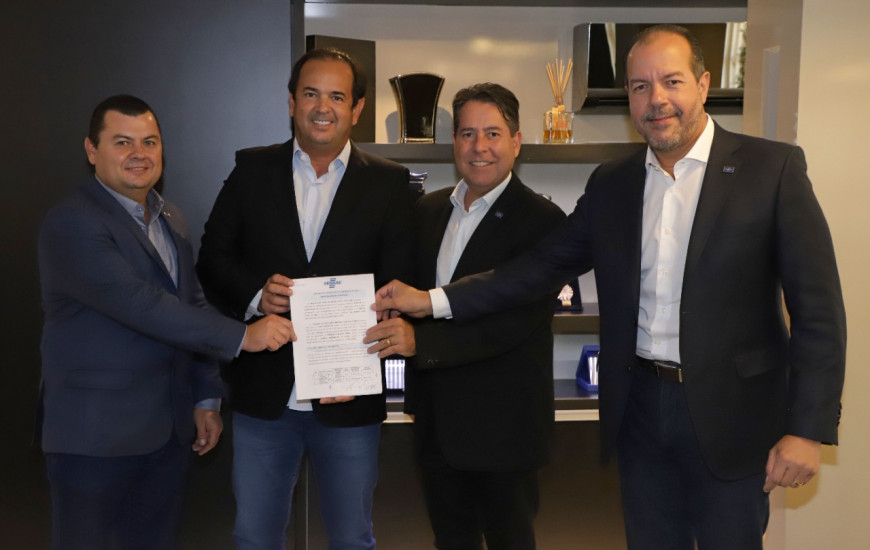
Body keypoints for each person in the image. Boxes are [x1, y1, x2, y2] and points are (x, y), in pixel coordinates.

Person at [373, 25, 847, 550]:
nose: (656, 98)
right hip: (639, 411)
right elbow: (535, 269)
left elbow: (818, 311)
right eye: (640, 86)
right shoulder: (613, 183)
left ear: (703, 84)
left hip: (734, 417)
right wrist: (433, 300)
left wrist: (806, 428)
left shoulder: (771, 169)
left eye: (671, 81)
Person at [37, 94, 295, 550]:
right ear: (92, 150)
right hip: (93, 441)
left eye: (150, 142)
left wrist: (206, 397)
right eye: (122, 142)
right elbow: (143, 305)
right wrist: (244, 336)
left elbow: (191, 304)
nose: (139, 154)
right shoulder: (73, 223)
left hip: (166, 436)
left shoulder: (168, 217)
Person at [195, 48, 414, 550]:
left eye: (337, 96)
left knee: (353, 538)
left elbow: (401, 279)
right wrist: (256, 296)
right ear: (292, 101)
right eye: (311, 93)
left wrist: (368, 344)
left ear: (356, 108)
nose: (323, 107)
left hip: (350, 398)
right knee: (255, 537)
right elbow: (212, 258)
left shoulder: (389, 182)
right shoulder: (252, 169)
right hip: (264, 396)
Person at [364, 83, 566, 549]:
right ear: (454, 141)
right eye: (467, 134)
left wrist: (420, 343)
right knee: (450, 541)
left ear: (516, 141)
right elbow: (403, 292)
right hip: (436, 424)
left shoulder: (544, 222)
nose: (479, 147)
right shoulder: (429, 209)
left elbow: (513, 323)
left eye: (493, 133)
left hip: (504, 429)